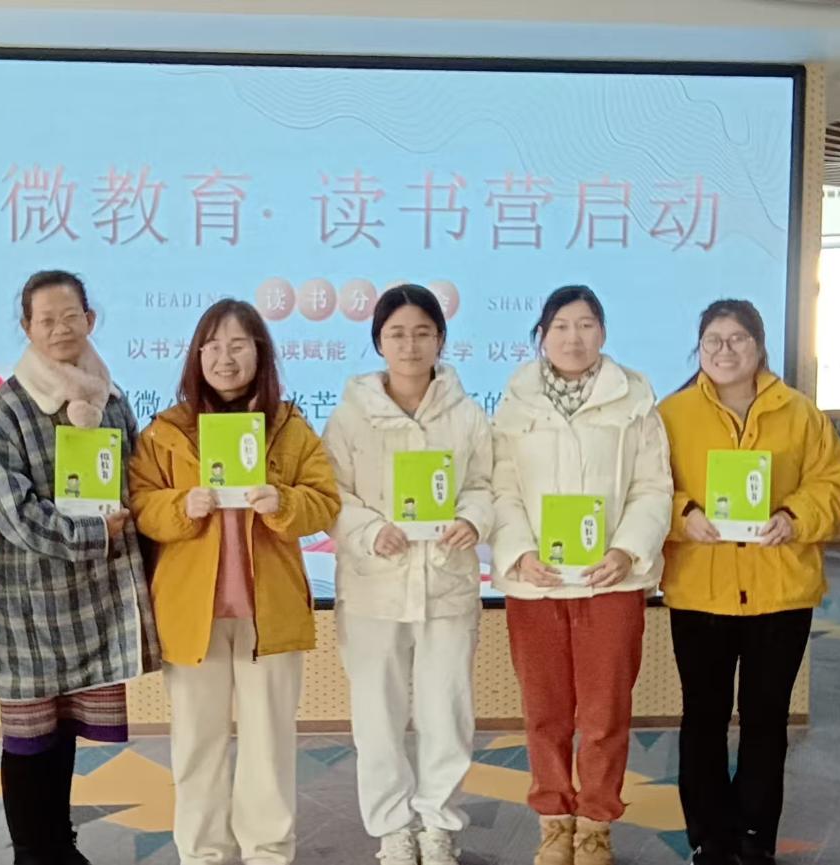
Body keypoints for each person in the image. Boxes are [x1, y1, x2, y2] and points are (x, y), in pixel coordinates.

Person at [128, 298, 341, 865]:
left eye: (239, 345)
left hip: (267, 614)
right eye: (214, 346)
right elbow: (140, 505)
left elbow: (325, 501)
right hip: (190, 616)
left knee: (269, 744)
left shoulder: (289, 428)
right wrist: (180, 505)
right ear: (197, 356)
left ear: (260, 354)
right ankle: (203, 853)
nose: (225, 358)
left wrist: (284, 502)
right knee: (196, 744)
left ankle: (268, 852)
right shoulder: (166, 431)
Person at [0, 270, 161, 865]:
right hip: (31, 602)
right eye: (46, 319)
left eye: (71, 316)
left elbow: (135, 481)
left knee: (63, 733)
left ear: (91, 319)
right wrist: (93, 533)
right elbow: (9, 511)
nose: (60, 328)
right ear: (27, 327)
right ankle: (33, 850)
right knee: (30, 737)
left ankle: (59, 842)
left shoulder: (113, 400)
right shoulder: (7, 405)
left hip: (94, 598)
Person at [658, 300, 840, 865]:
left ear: (760, 346)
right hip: (701, 589)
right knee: (704, 718)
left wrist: (794, 516)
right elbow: (644, 487)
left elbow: (832, 484)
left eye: (738, 338)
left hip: (780, 591)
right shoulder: (670, 415)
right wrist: (683, 514)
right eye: (713, 340)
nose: (725, 350)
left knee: (767, 720)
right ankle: (709, 837)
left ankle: (755, 836)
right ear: (699, 348)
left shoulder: (801, 414)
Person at [489, 285, 674, 865]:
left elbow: (653, 486)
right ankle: (553, 820)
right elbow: (500, 489)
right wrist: (520, 553)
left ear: (604, 332)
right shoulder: (514, 403)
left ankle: (595, 823)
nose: (574, 337)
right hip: (536, 584)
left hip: (609, 582)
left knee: (604, 712)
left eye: (587, 324)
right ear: (542, 335)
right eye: (562, 326)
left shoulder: (634, 399)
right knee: (544, 710)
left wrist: (626, 550)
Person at [322, 285, 495, 865]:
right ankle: (392, 828)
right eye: (396, 333)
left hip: (447, 583)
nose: (410, 344)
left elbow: (487, 484)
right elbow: (332, 493)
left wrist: (472, 518)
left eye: (423, 332)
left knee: (448, 712)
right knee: (378, 716)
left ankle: (439, 823)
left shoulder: (467, 415)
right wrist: (370, 530)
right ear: (379, 342)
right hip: (374, 586)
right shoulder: (351, 416)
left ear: (440, 338)